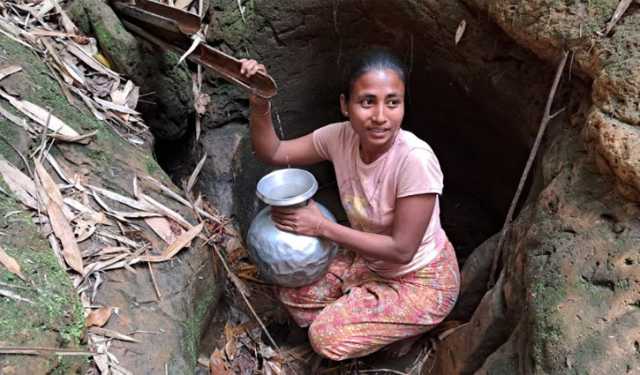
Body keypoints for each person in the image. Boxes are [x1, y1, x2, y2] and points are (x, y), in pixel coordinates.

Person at [239, 48, 460, 361]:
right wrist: (259, 100)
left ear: (403, 105)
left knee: (324, 337)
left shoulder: (415, 160)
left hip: (421, 280)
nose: (380, 116)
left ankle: (404, 329)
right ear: (345, 105)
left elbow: (402, 250)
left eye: (392, 102)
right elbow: (274, 153)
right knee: (290, 288)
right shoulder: (339, 137)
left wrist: (323, 228)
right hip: (369, 263)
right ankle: (368, 313)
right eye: (367, 101)